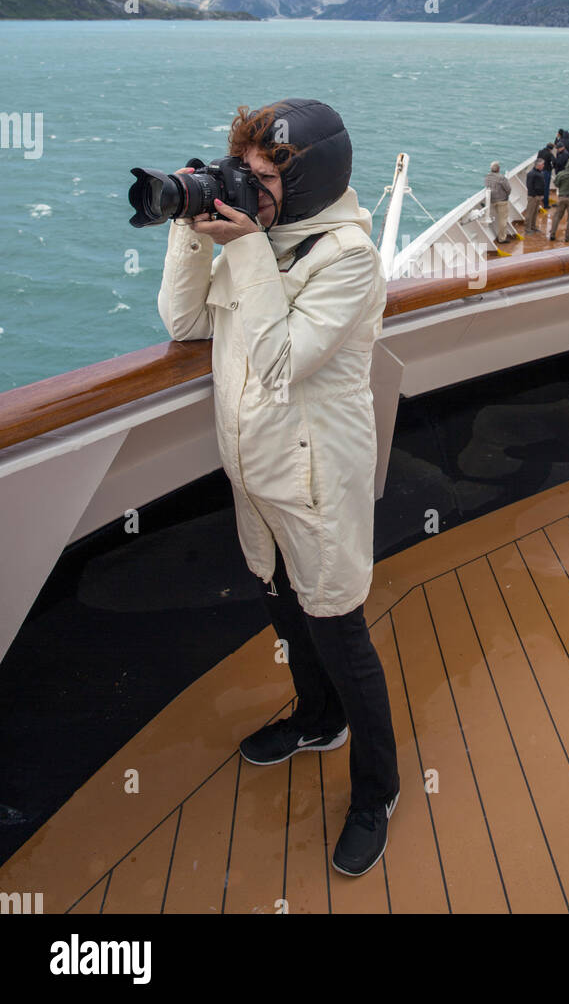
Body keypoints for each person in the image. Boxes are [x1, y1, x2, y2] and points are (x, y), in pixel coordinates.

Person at [157, 97, 399, 878]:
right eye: (242, 172)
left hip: (317, 480)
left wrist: (250, 248)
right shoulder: (255, 240)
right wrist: (191, 232)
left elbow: (275, 361)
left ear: (305, 183)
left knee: (339, 628)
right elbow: (184, 323)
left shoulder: (347, 259)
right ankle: (316, 719)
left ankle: (377, 791)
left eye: (260, 178)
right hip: (256, 471)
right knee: (282, 604)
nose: (245, 188)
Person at [485, 161, 512, 243]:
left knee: (498, 219)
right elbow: (508, 189)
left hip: (492, 200)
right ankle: (502, 238)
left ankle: (499, 235)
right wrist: (506, 195)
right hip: (502, 201)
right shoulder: (501, 178)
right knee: (502, 220)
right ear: (499, 169)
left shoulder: (487, 177)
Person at [524, 158, 546, 232]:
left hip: (538, 196)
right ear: (538, 165)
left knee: (535, 212)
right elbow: (529, 185)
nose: (543, 166)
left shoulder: (540, 172)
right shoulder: (531, 174)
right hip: (533, 196)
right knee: (530, 212)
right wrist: (534, 195)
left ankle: (533, 226)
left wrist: (542, 195)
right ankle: (527, 228)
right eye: (542, 164)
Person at [536, 142, 555, 208]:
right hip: (546, 171)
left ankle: (538, 204)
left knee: (539, 187)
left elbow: (537, 160)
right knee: (546, 188)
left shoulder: (540, 151)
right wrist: (552, 167)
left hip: (539, 171)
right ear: (551, 149)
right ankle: (546, 204)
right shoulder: (550, 154)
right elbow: (554, 162)